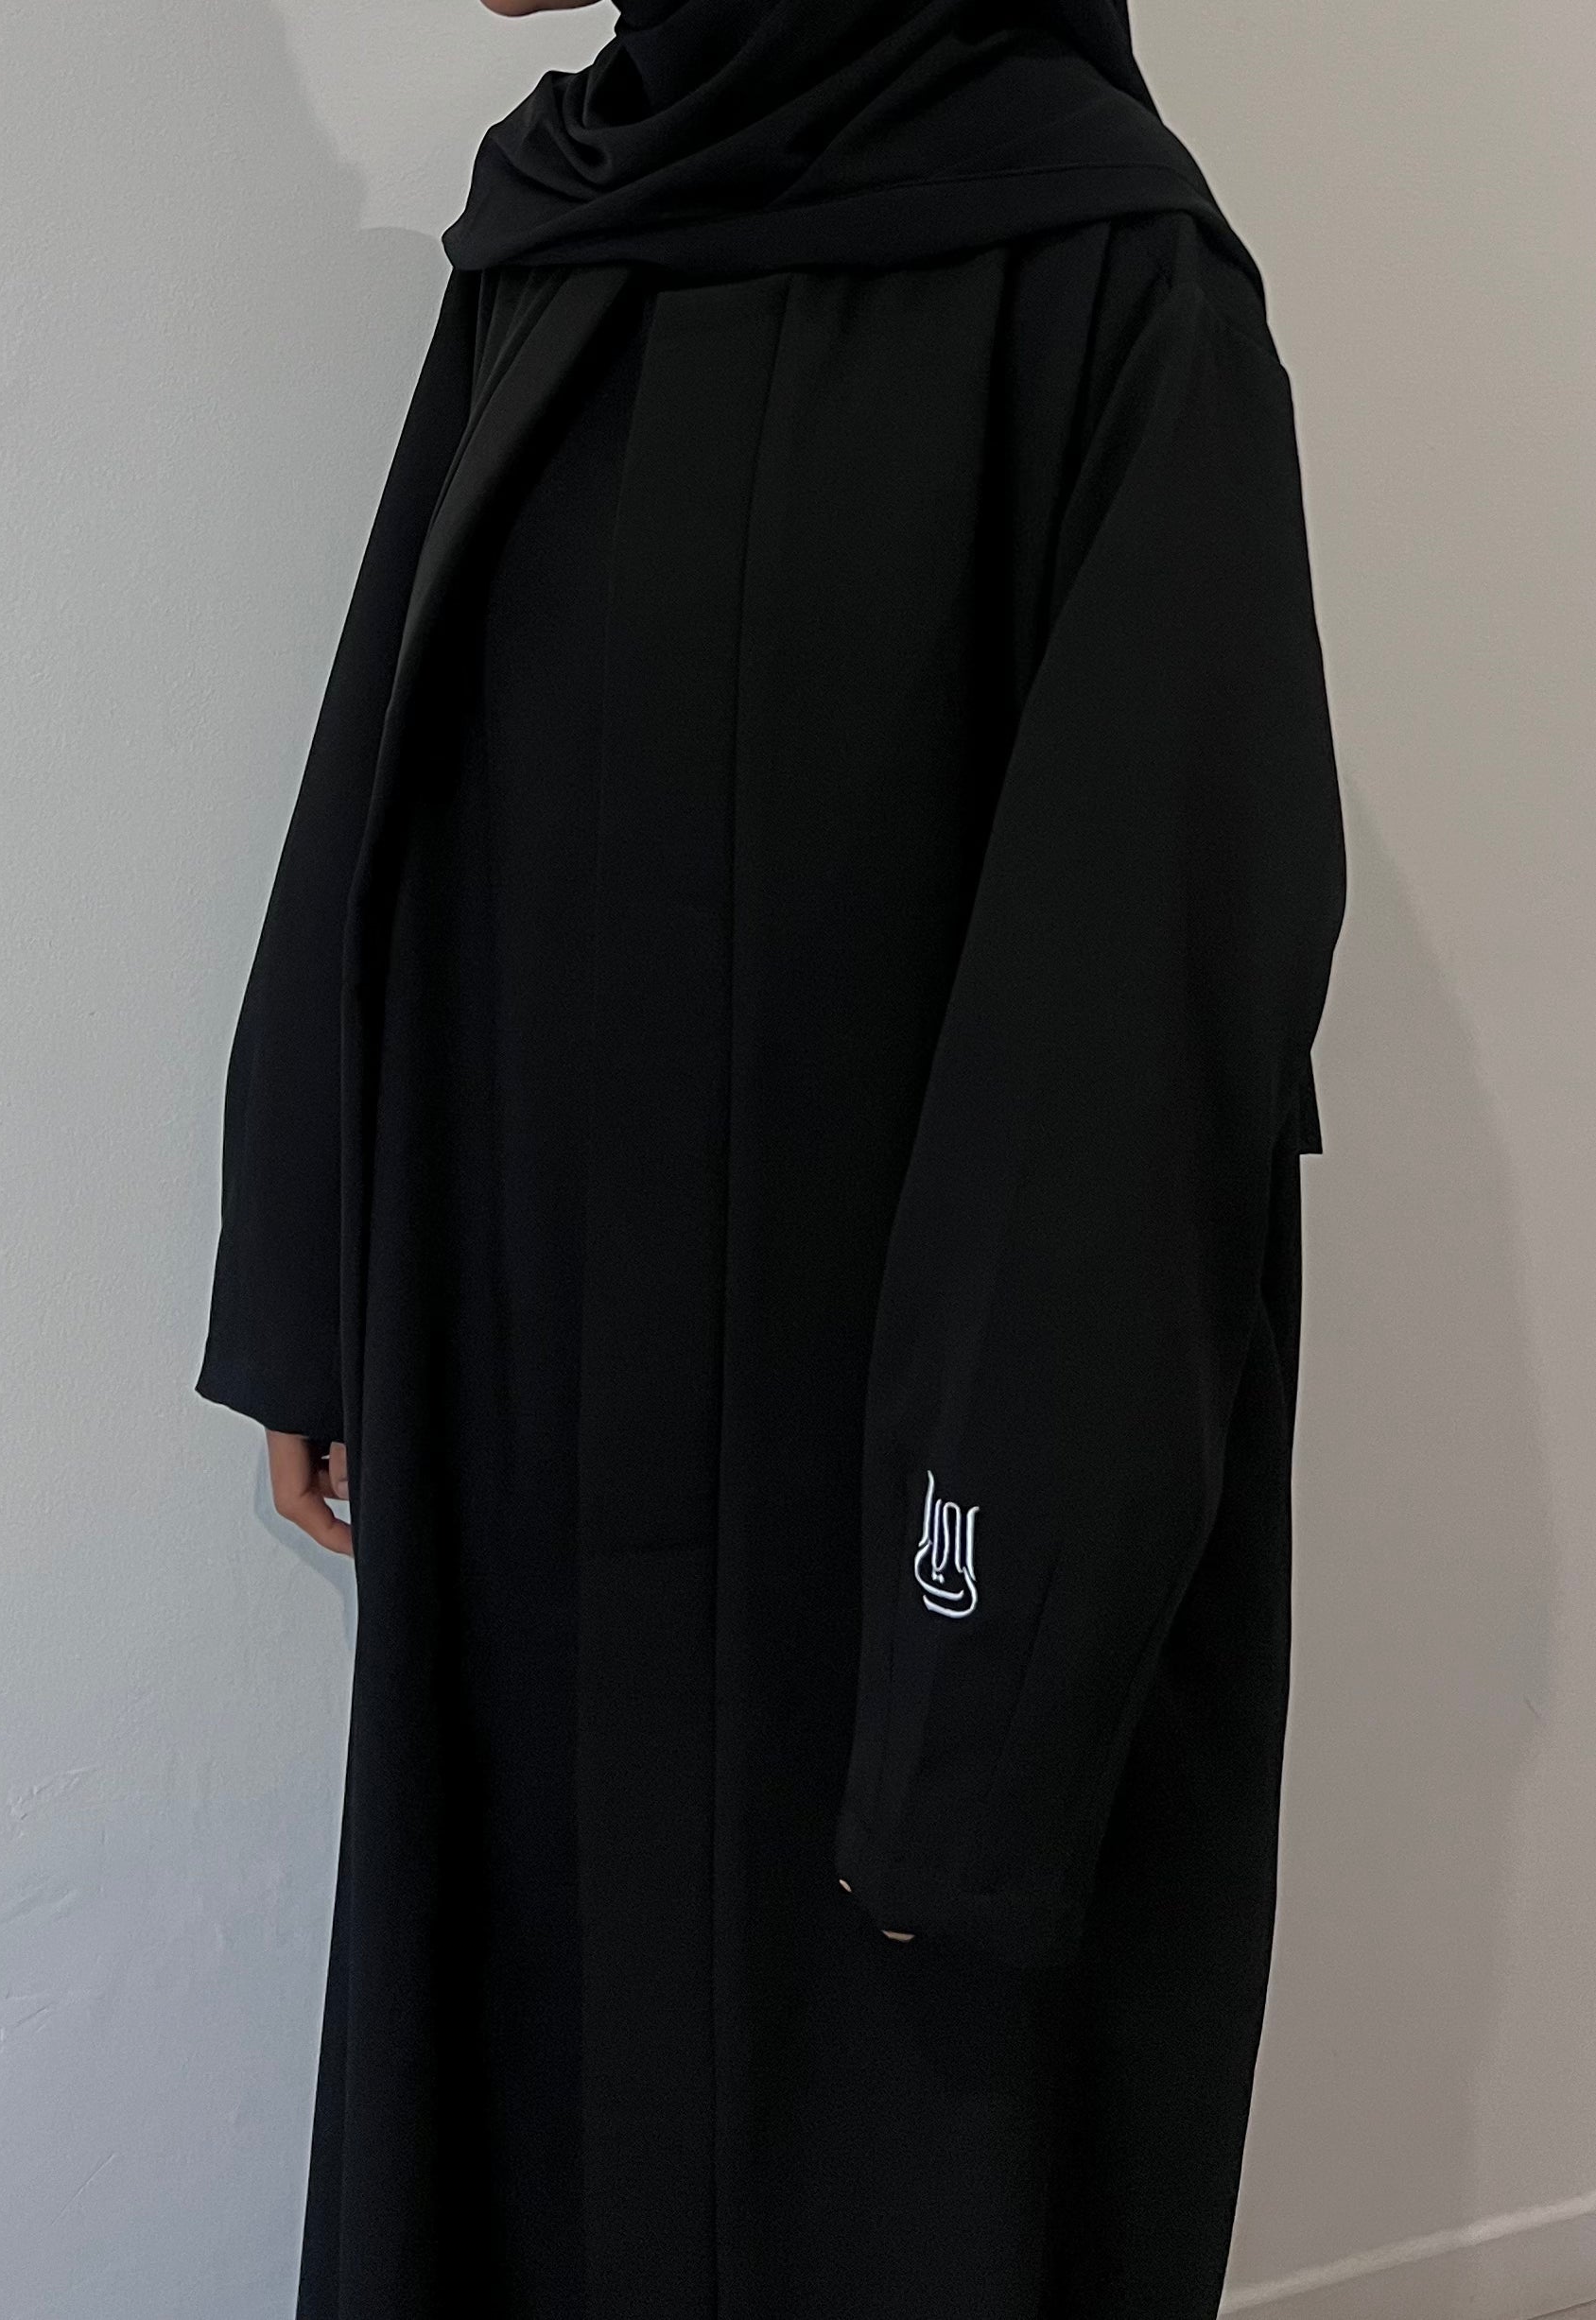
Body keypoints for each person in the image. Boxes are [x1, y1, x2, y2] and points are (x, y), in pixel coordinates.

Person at [195, 2, 1347, 2314]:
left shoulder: (1103, 278)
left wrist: (979, 1676)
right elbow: (385, 775)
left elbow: (1133, 1061)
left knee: (875, 2166)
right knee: (528, 2128)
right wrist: (313, 1273)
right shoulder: (561, 231)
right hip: (534, 1448)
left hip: (888, 1526)